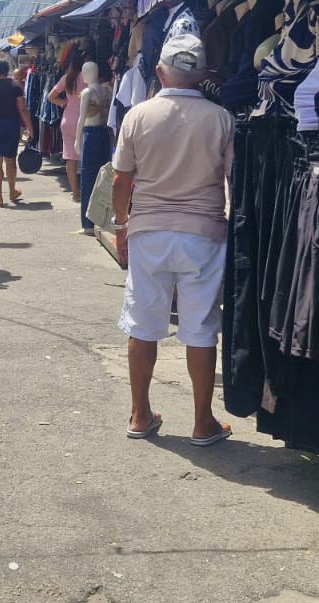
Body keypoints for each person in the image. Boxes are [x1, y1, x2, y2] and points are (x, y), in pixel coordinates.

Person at [110, 32, 235, 446]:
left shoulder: (138, 116)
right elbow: (234, 179)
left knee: (143, 324)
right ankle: (202, 423)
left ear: (160, 72)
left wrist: (121, 225)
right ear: (201, 76)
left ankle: (140, 415)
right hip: (203, 233)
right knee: (200, 327)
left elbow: (121, 179)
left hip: (148, 231)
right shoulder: (221, 118)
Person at [0, 60, 34, 207]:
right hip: (11, 125)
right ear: (7, 70)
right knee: (10, 160)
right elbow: (22, 108)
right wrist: (30, 127)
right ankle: (12, 191)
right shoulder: (15, 85)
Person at [76, 62, 115, 234]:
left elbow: (81, 118)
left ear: (88, 72)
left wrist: (77, 140)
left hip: (90, 135)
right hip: (104, 135)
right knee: (102, 179)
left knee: (88, 179)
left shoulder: (87, 93)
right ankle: (101, 219)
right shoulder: (106, 92)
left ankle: (88, 224)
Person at [47, 49, 85, 201]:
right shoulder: (87, 77)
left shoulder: (67, 78)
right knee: (86, 156)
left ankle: (75, 193)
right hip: (84, 119)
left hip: (68, 119)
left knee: (71, 158)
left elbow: (51, 96)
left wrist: (63, 102)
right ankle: (86, 190)